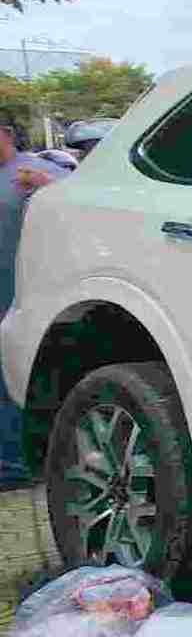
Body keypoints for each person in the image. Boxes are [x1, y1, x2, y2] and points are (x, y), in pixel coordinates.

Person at [0, 118, 69, 488]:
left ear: (6, 135)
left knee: (15, 376)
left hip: (25, 292)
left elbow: (85, 200)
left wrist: (46, 185)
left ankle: (16, 466)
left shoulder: (37, 169)